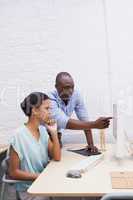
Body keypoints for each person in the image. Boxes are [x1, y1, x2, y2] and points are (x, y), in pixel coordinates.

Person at [8, 92, 61, 200]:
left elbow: (57, 157)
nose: (50, 113)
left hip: (43, 185)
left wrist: (54, 133)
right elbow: (13, 172)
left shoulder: (42, 131)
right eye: (47, 108)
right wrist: (41, 176)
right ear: (35, 111)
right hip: (29, 190)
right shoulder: (18, 135)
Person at [49, 72, 112, 152]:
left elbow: (84, 119)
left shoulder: (76, 95)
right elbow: (62, 121)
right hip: (44, 138)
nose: (70, 91)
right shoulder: (49, 98)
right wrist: (95, 124)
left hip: (57, 137)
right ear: (56, 87)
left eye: (72, 87)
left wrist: (90, 145)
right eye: (66, 87)